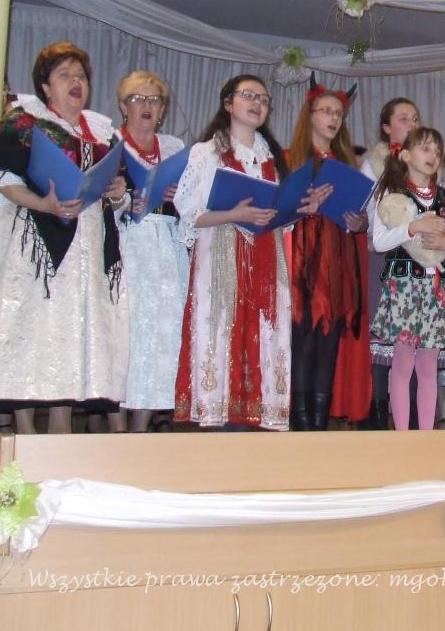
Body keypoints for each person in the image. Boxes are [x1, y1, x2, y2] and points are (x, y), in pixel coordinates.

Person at [0, 41, 129, 434]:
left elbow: (118, 190)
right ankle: (24, 433)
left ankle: (62, 432)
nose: (75, 82)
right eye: (64, 75)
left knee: (71, 335)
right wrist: (42, 204)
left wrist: (118, 192)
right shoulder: (23, 122)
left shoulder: (101, 131)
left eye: (80, 76)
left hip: (86, 247)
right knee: (30, 331)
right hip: (34, 243)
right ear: (46, 86)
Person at [173, 75, 294, 430]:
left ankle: (259, 421)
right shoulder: (206, 153)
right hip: (221, 255)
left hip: (266, 259)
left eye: (264, 99)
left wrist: (300, 206)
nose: (257, 103)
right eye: (248, 96)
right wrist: (234, 214)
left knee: (266, 337)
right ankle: (218, 423)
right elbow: (189, 213)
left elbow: (282, 219)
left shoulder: (273, 158)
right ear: (228, 103)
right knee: (220, 332)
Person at [287, 83, 370, 431]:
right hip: (303, 260)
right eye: (326, 111)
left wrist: (360, 222)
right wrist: (306, 204)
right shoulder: (289, 160)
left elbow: (358, 214)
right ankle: (300, 424)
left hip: (337, 260)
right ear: (310, 116)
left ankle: (318, 425)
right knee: (303, 341)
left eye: (338, 113)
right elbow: (277, 212)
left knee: (329, 343)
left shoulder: (347, 164)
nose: (334, 118)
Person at [371, 127, 445, 430]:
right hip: (405, 286)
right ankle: (402, 436)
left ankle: (425, 434)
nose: (433, 156)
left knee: (428, 365)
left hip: (437, 288)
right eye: (425, 148)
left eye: (437, 151)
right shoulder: (392, 196)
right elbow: (379, 242)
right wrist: (413, 228)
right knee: (403, 363)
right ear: (406, 155)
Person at [115, 70, 188, 433]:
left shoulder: (173, 149)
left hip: (167, 244)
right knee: (127, 332)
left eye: (154, 100)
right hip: (127, 241)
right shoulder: (110, 144)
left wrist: (179, 196)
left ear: (162, 110)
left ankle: (142, 427)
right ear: (123, 106)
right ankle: (116, 428)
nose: (146, 105)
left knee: (162, 332)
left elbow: (192, 203)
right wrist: (123, 198)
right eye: (137, 98)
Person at [359, 98, 426, 430]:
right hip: (384, 257)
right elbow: (368, 215)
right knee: (382, 338)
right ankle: (375, 416)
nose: (412, 124)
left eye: (415, 118)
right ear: (387, 127)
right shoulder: (373, 163)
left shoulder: (425, 161)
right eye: (403, 118)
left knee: (412, 339)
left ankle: (410, 419)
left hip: (417, 260)